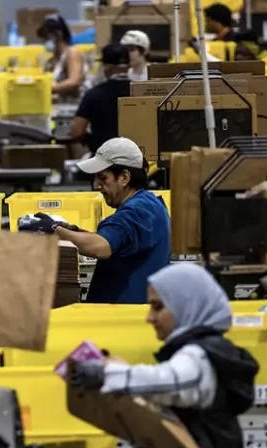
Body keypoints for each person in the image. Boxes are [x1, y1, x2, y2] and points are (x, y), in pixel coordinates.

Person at [71, 263, 260, 448]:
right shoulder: (195, 353)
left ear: (187, 305)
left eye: (158, 307)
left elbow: (172, 381)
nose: (149, 318)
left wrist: (106, 374)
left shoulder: (202, 355)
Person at [25, 138, 170, 304]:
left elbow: (101, 247)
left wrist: (53, 229)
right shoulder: (149, 204)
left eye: (102, 178)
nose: (96, 185)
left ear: (124, 177)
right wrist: (72, 230)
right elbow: (117, 241)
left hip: (120, 320)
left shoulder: (137, 211)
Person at [71, 44, 132, 155]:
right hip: (137, 159)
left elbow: (77, 131)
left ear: (106, 68)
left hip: (102, 160)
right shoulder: (141, 93)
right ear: (129, 66)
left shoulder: (93, 95)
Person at [38, 15, 86, 99]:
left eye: (47, 37)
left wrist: (50, 88)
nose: (45, 41)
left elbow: (74, 82)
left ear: (58, 35)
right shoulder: (52, 60)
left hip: (73, 104)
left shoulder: (72, 53)